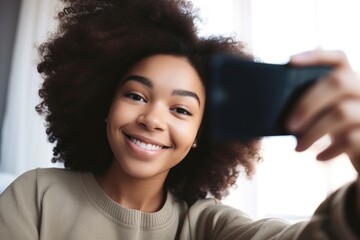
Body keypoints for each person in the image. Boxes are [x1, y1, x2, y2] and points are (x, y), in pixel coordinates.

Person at [0, 0, 359, 239]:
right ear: (105, 105)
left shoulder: (207, 225)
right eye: (136, 96)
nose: (153, 119)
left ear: (200, 133)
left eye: (181, 110)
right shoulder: (36, 195)